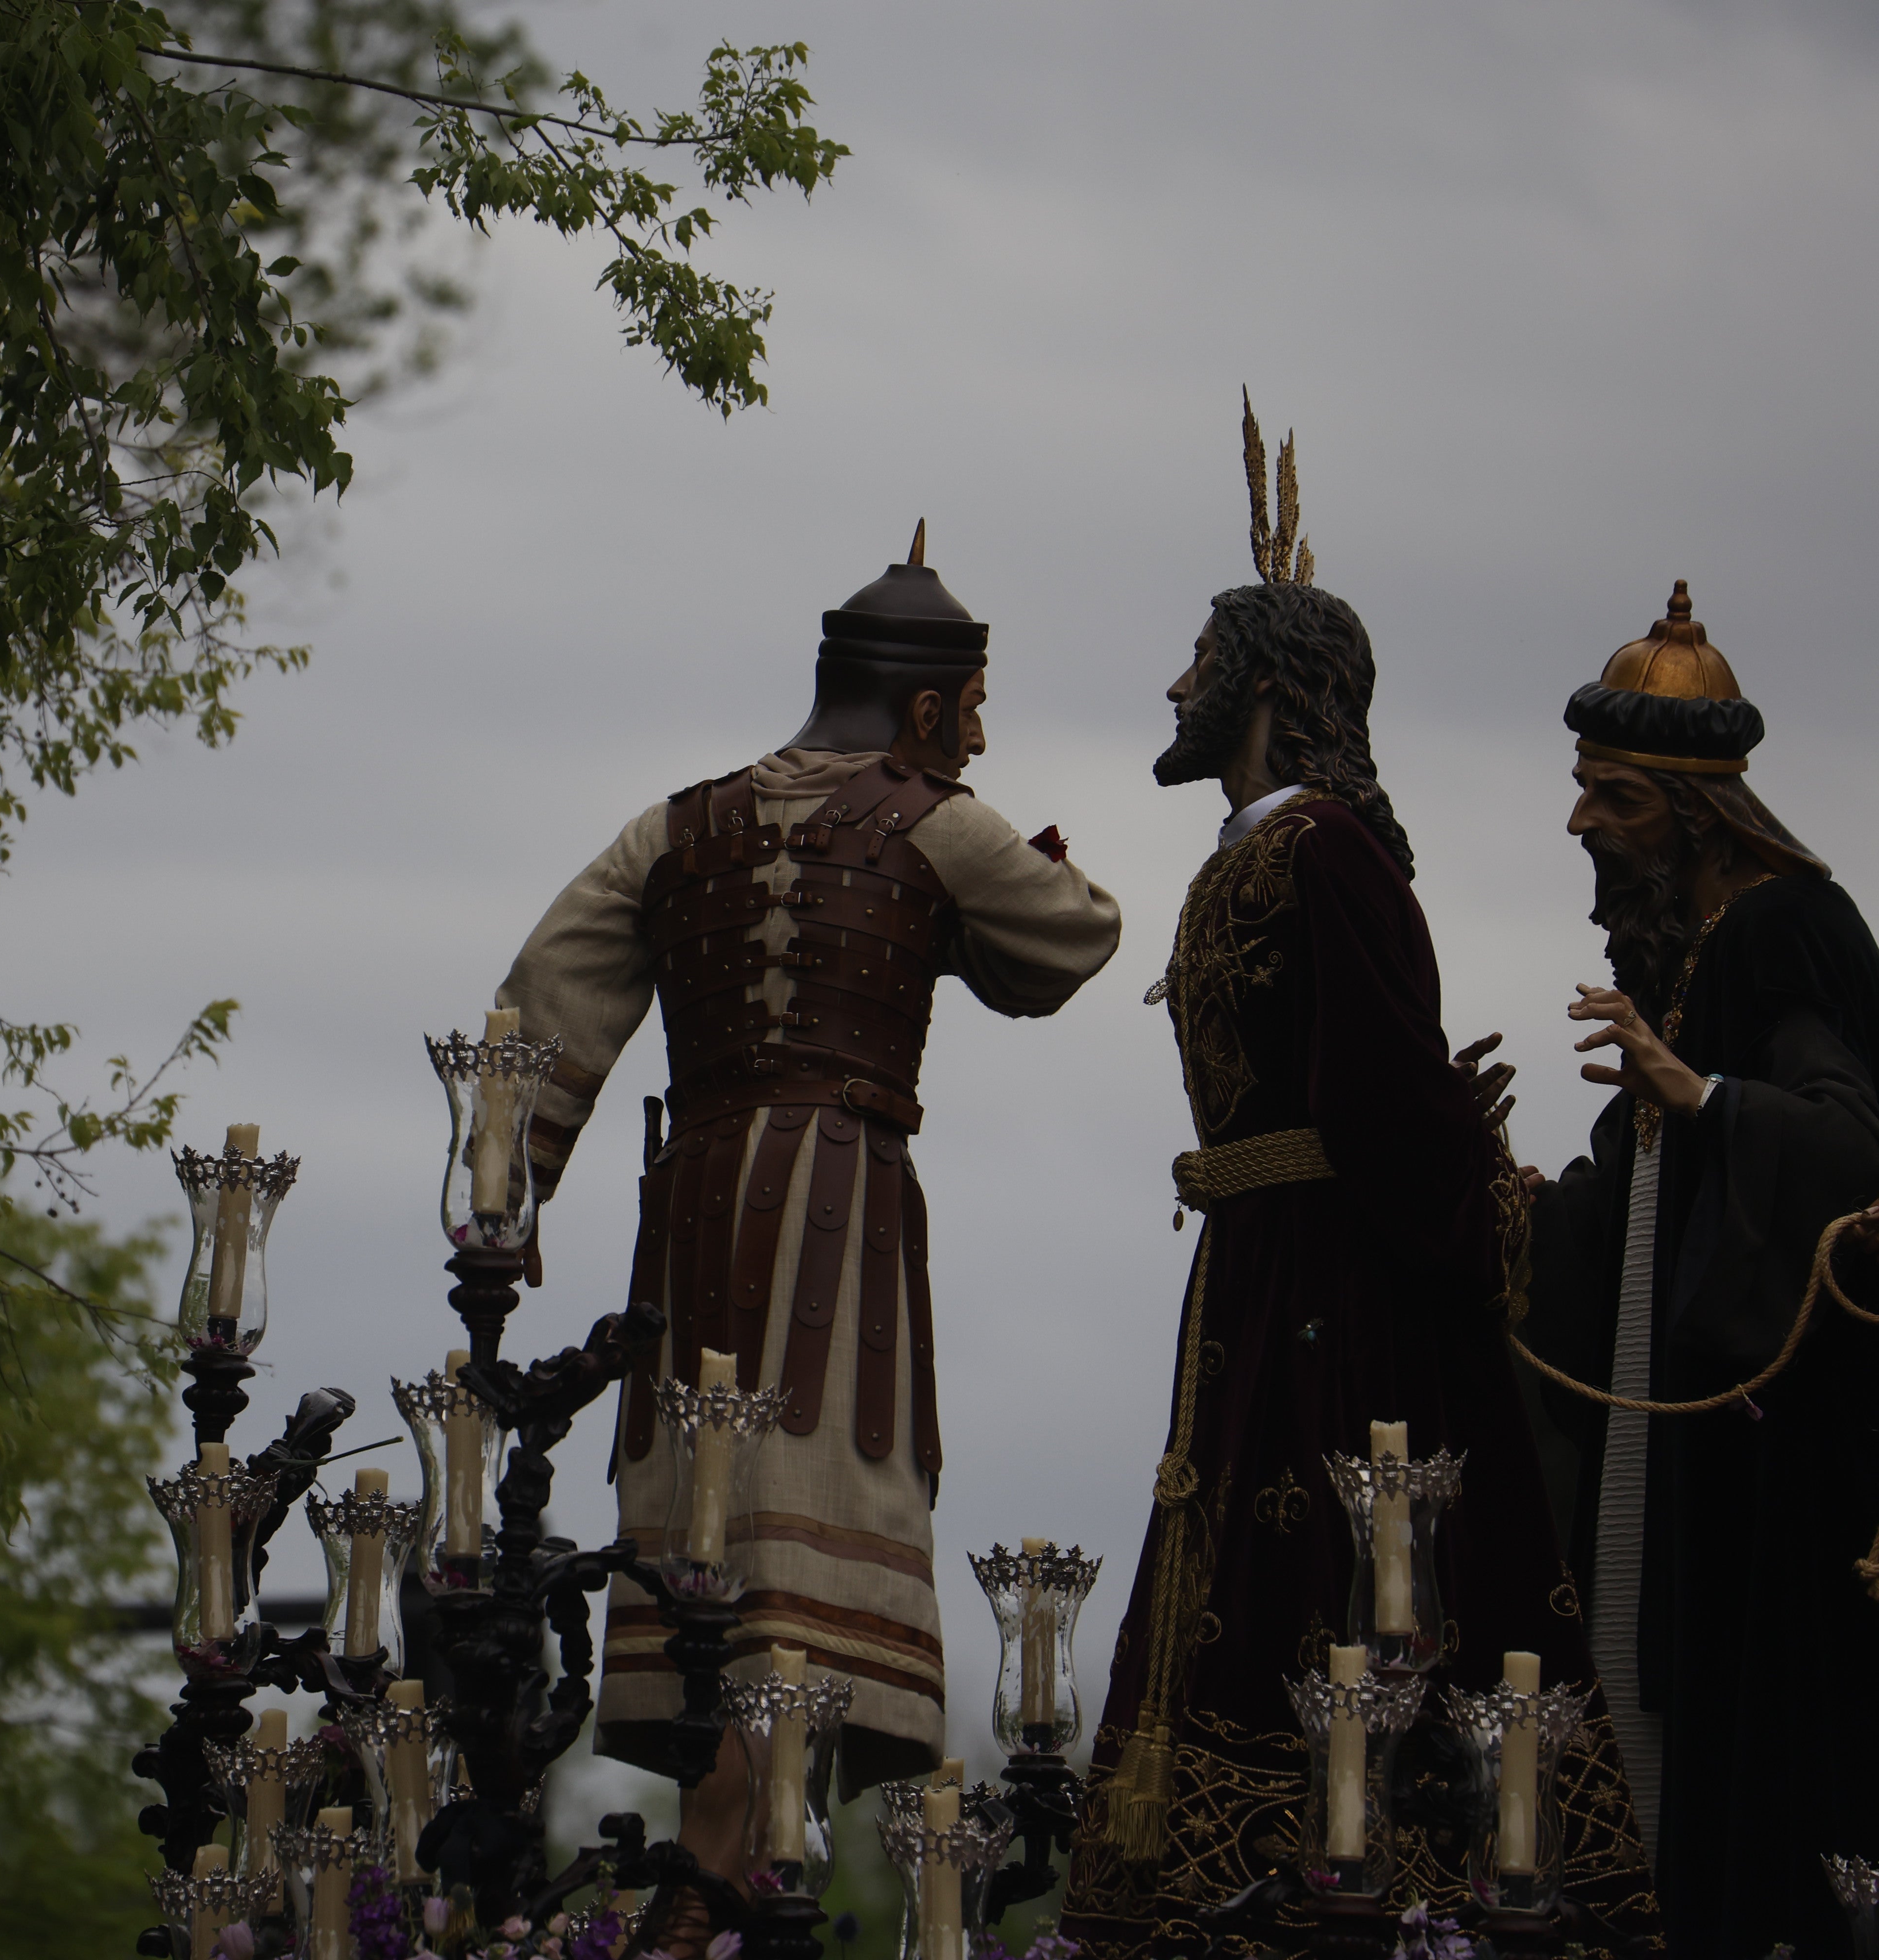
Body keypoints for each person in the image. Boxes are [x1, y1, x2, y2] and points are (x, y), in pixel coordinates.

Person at [1061, 416, 1654, 1955]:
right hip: (1266, 1281)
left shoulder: (1329, 855)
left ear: (1264, 685)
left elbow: (1388, 1102)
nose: (1175, 688)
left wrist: (1487, 1206)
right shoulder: (1256, 857)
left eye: (1198, 661)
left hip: (1341, 1307)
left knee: (1326, 1594)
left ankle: (1363, 1877)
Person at [490, 525, 1121, 1878]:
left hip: (698, 1220)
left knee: (717, 1602)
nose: (980, 746)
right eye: (977, 717)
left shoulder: (676, 824)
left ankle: (724, 1870)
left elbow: (542, 1001)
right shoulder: (940, 821)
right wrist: (946, 908)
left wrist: (511, 1189)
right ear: (932, 707)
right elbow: (1075, 931)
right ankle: (735, 1885)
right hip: (844, 1232)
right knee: (795, 1627)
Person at [1518, 581, 1879, 1959]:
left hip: (1778, 1474)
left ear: (1690, 812)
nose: (1580, 825)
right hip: (1684, 1462)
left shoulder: (1790, 932)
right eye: (1581, 790)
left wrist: (1709, 1093)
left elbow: (1849, 1143)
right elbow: (1636, 1214)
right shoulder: (1683, 959)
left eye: (1611, 798)